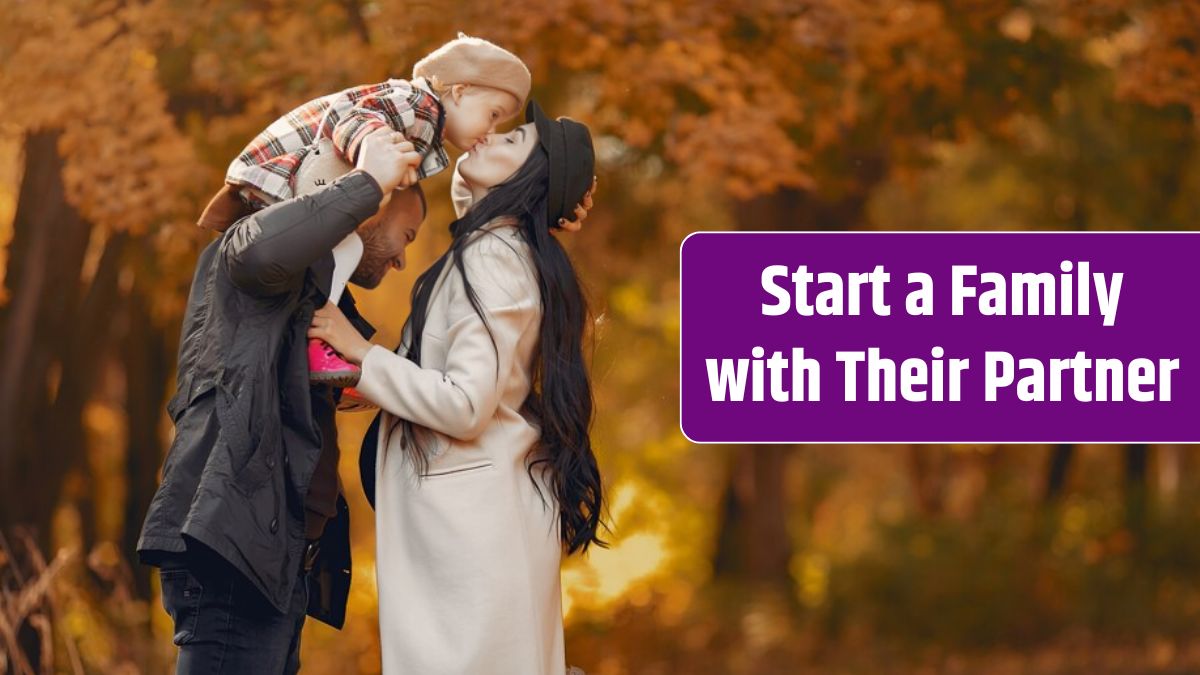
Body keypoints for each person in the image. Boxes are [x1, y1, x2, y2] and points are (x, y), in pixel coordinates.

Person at [308, 100, 605, 674]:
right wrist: (549, 203)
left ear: (525, 180)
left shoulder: (495, 260)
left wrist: (361, 352)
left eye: (511, 140)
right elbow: (480, 210)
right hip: (476, 521)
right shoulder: (493, 248)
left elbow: (467, 405)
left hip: (472, 532)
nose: (487, 137)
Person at [137, 128, 424, 674]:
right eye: (406, 234)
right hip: (231, 549)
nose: (403, 259)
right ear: (360, 209)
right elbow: (264, 249)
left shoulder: (306, 302)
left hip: (273, 555)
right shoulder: (247, 248)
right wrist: (368, 182)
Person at [195, 33, 594, 387]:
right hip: (284, 179)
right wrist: (369, 163)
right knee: (347, 249)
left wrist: (544, 208)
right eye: (493, 117)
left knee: (344, 250)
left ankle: (319, 333)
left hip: (294, 188)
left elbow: (475, 207)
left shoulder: (429, 126)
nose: (490, 133)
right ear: (458, 91)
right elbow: (347, 117)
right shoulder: (417, 105)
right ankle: (316, 334)